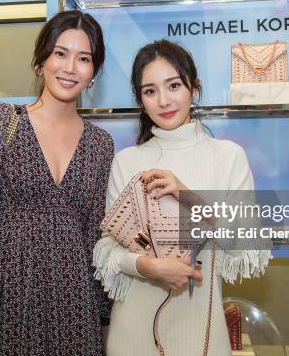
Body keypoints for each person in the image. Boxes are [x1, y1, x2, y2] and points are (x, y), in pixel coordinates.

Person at [93, 40, 271, 355]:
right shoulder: (127, 161)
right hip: (132, 334)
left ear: (194, 88)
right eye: (150, 91)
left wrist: (188, 195)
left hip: (202, 331)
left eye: (173, 85)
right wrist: (149, 268)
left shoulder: (228, 157)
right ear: (141, 100)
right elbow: (107, 251)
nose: (164, 100)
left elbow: (244, 243)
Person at [0, 10, 114, 356]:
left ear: (93, 72)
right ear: (41, 59)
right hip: (10, 307)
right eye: (60, 53)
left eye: (83, 58)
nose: (70, 67)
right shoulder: (1, 123)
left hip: (77, 312)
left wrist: (103, 320)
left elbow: (96, 238)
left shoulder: (100, 144)